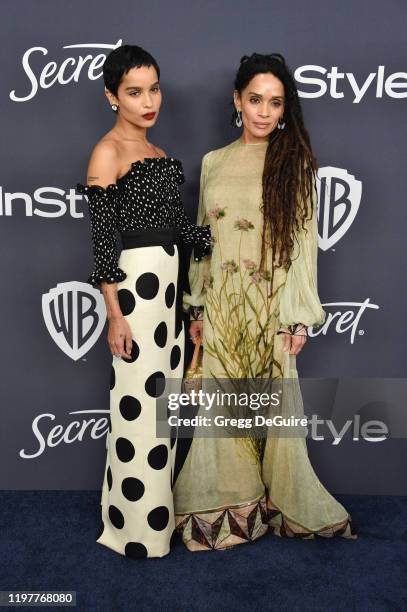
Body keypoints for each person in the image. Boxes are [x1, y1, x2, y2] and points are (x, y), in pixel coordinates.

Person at [174, 52, 357, 551]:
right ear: (237, 101)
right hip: (223, 307)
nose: (263, 111)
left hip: (271, 310)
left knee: (273, 411)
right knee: (224, 410)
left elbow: (302, 248)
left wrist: (297, 319)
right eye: (255, 99)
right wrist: (197, 308)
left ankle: (281, 502)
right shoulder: (213, 162)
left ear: (284, 110)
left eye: (275, 103)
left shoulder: (295, 164)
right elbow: (203, 242)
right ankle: (234, 504)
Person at [76, 45, 212, 559]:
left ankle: (156, 518)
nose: (148, 101)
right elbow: (103, 241)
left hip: (172, 301)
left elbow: (179, 231)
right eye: (134, 92)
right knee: (137, 413)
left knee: (163, 416)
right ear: (112, 96)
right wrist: (115, 313)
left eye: (154, 88)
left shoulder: (162, 157)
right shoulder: (107, 152)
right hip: (136, 299)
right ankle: (136, 532)